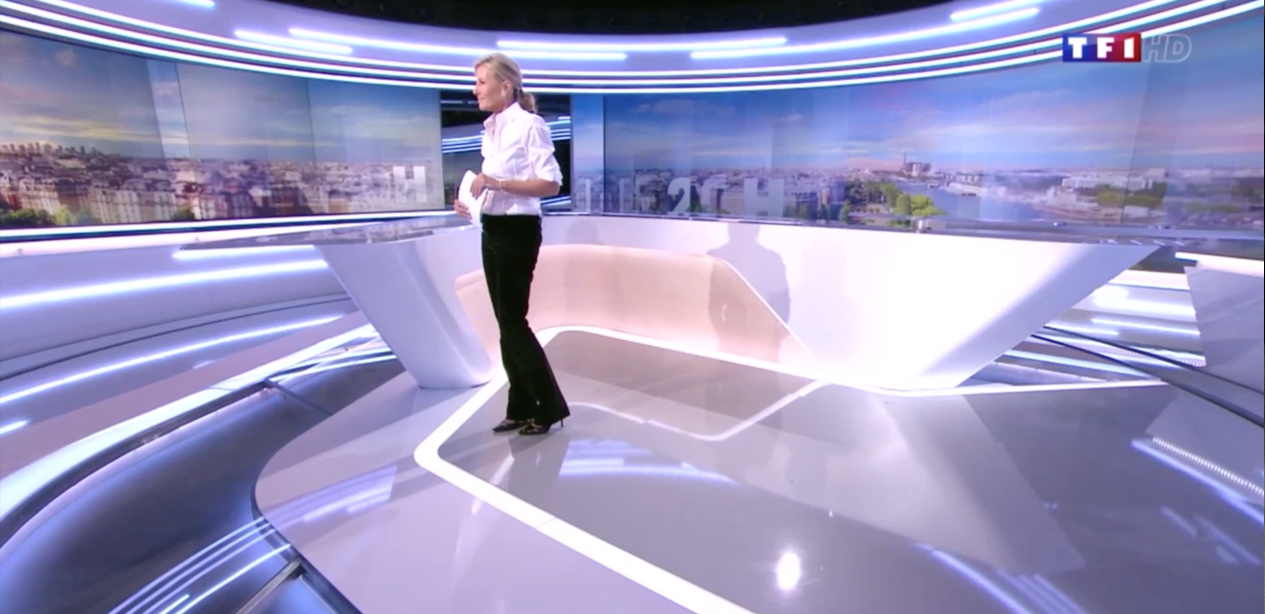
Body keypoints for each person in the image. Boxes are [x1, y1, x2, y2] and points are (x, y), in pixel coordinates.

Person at [454, 52, 569, 436]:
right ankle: (519, 406)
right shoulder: (491, 129)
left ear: (505, 85)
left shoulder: (530, 125)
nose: (475, 90)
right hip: (492, 228)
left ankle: (549, 406)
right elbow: (492, 186)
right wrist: (470, 203)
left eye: (481, 82)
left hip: (518, 230)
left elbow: (551, 183)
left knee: (514, 323)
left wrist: (495, 183)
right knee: (505, 323)